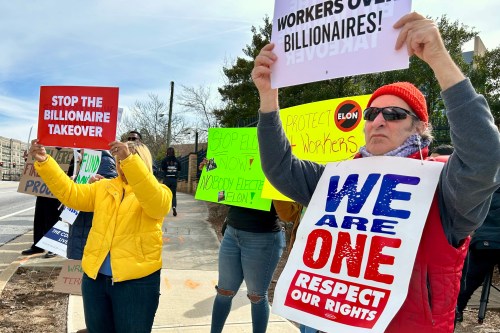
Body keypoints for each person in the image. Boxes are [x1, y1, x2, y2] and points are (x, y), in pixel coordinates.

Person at [252, 11, 500, 333]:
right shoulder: (339, 177)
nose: (379, 120)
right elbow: (280, 169)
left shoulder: (444, 185)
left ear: (420, 126)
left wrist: (438, 59)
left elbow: (485, 157)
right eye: (372, 113)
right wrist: (268, 97)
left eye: (395, 113)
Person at [29, 138, 172, 333]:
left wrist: (129, 160)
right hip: (95, 280)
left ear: (142, 162)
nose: (122, 164)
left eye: (128, 159)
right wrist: (45, 162)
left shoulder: (160, 192)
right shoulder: (105, 187)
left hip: (137, 284)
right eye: (120, 160)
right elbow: (71, 194)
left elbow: (155, 204)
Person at [197, 159, 286, 333]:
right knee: (224, 292)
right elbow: (222, 196)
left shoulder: (277, 156)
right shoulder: (240, 157)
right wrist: (211, 173)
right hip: (232, 232)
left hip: (263, 236)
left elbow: (288, 208)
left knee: (256, 296)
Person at [455, 186, 500, 323]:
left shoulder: (488, 190)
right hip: (488, 240)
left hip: (484, 242)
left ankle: (456, 311)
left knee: (468, 281)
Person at [66, 150, 117, 260]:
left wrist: (90, 186)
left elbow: (110, 196)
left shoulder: (103, 160)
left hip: (89, 229)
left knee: (90, 271)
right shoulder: (83, 160)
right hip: (78, 226)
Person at [161, 147, 181, 216]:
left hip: (166, 179)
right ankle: (174, 207)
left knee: (165, 194)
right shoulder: (177, 160)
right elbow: (179, 169)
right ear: (174, 152)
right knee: (174, 195)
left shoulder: (164, 160)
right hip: (174, 179)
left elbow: (162, 168)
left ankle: (163, 209)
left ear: (167, 152)